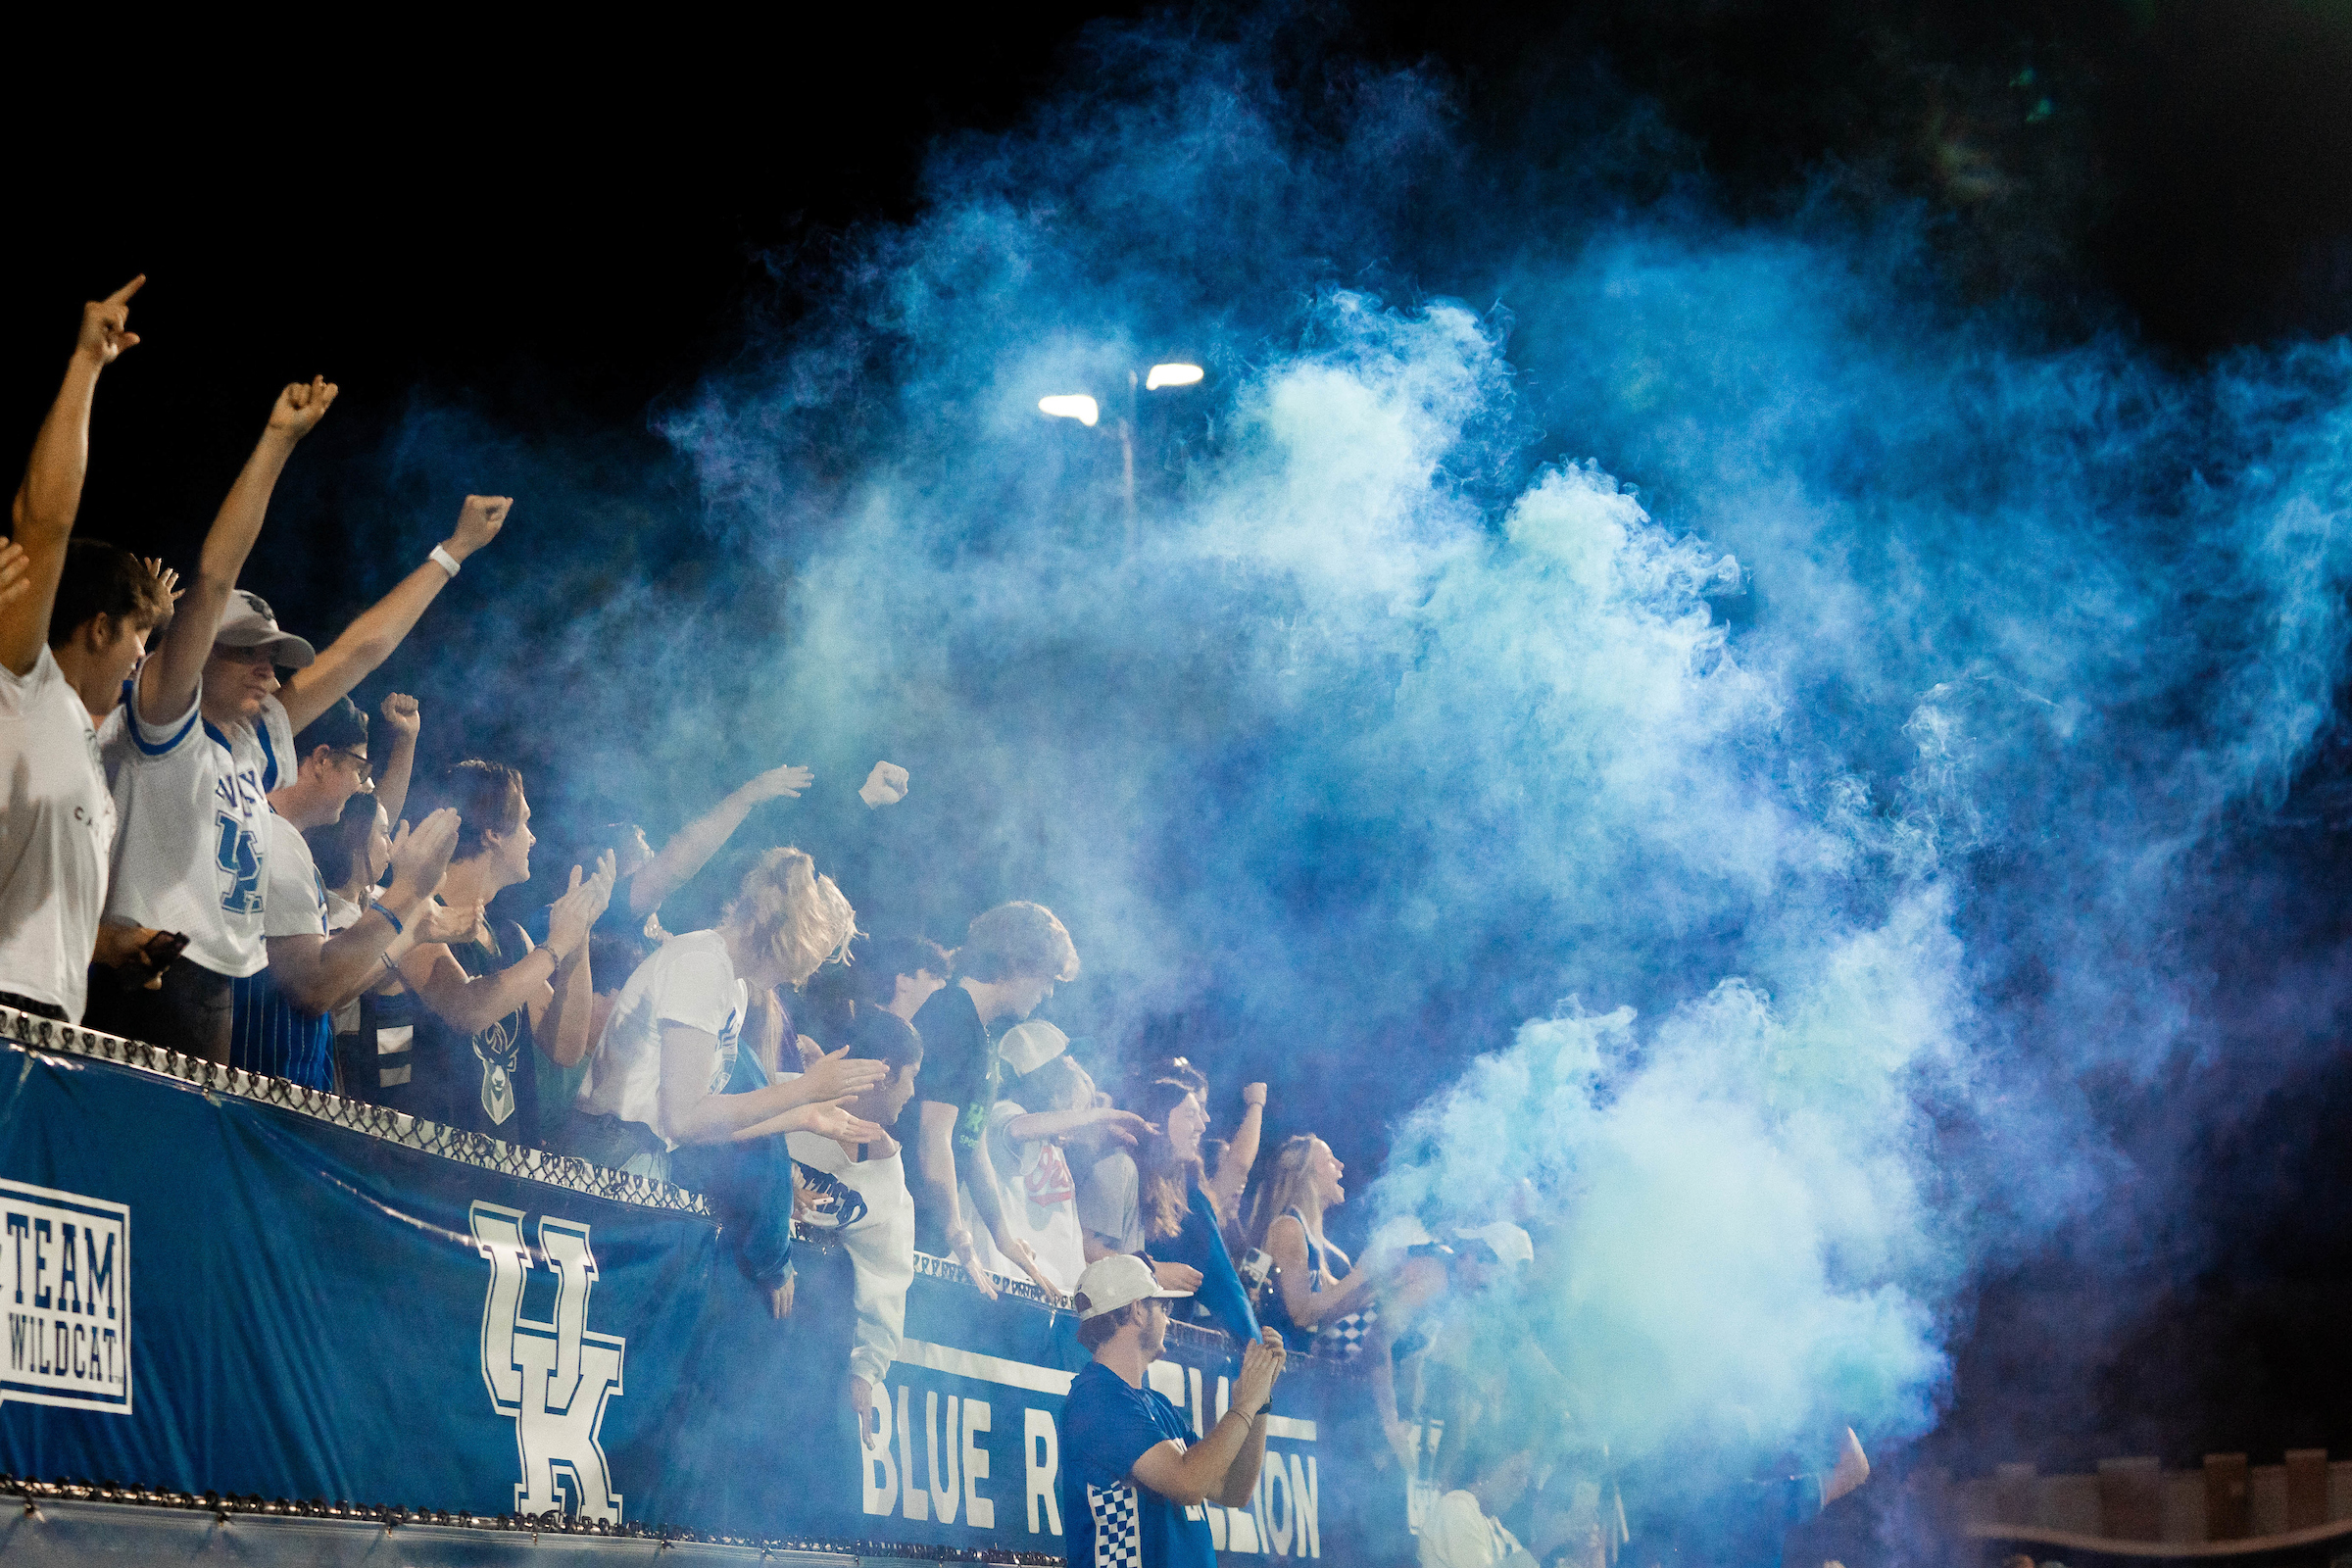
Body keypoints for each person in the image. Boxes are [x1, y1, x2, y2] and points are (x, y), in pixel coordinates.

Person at [0, 279, 142, 1022]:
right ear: (95, 627)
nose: (141, 660)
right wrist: (87, 367)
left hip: (55, 1022)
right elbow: (45, 523)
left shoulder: (88, 742)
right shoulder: (24, 678)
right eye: (138, 638)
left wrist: (105, 948)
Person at [569, 846, 885, 1178]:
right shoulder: (702, 965)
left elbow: (700, 1124)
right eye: (803, 959)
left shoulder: (734, 987)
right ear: (780, 934)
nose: (796, 978)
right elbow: (683, 1119)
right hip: (611, 1153)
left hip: (638, 1154)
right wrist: (806, 1088)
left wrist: (803, 1115)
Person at [232, 697, 462, 1086]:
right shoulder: (277, 839)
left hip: (272, 1095)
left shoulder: (274, 834)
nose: (363, 784)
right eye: (359, 767)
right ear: (322, 761)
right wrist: (408, 890)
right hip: (272, 1098)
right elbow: (314, 987)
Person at [395, 760, 613, 1140]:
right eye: (525, 822)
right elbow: (466, 1010)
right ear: (493, 832)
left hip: (506, 1165)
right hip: (429, 1161)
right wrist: (556, 946)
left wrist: (579, 937)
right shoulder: (414, 918)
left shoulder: (511, 940)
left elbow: (565, 1049)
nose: (532, 838)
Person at [1060, 1253, 1288, 1568]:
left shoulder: (1157, 1405)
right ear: (1138, 1310)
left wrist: (1260, 1401)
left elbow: (1234, 1490)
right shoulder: (1096, 1398)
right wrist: (1246, 1403)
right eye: (1163, 1307)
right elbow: (1188, 1483)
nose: (1168, 1319)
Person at [910, 900, 1080, 1298]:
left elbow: (971, 1142)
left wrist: (1004, 1237)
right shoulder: (951, 1015)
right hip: (907, 1221)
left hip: (928, 1231)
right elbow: (933, 1136)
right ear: (1017, 962)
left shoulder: (985, 1034)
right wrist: (955, 1226)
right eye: (1046, 977)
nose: (1048, 992)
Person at [780, 1003, 922, 1421]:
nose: (913, 1092)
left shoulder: (888, 1174)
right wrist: (773, 1185)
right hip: (726, 1282)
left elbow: (887, 1274)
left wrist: (864, 1372)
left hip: (799, 1324)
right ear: (884, 1072)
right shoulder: (784, 1094)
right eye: (911, 1076)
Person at [1084, 1077, 1260, 1345]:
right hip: (1105, 1340)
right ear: (1159, 1118)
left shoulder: (1171, 1185)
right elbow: (1083, 1247)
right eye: (1191, 1114)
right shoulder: (1120, 1167)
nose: (1202, 1125)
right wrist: (1151, 1270)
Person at [976, 1030, 1148, 1296]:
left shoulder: (1049, 1140)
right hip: (1009, 1287)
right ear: (1048, 1079)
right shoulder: (1004, 1112)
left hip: (1049, 1290)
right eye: (1067, 1063)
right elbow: (1017, 1130)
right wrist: (1097, 1116)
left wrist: (1100, 1135)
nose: (1078, 1070)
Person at [1245, 1134, 1383, 1357]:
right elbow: (1301, 1314)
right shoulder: (1288, 1227)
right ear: (1307, 1174)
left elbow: (1331, 1307)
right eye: (1329, 1159)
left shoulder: (1316, 1242)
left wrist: (1384, 1279)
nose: (1340, 1165)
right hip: (1276, 1364)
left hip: (1296, 1365)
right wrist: (1360, 1273)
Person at [1418, 1430, 1543, 1568]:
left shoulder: (1501, 1534)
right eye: (1516, 1473)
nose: (1523, 1485)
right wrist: (1542, 1547)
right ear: (1484, 1472)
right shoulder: (1455, 1508)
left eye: (1526, 1476)